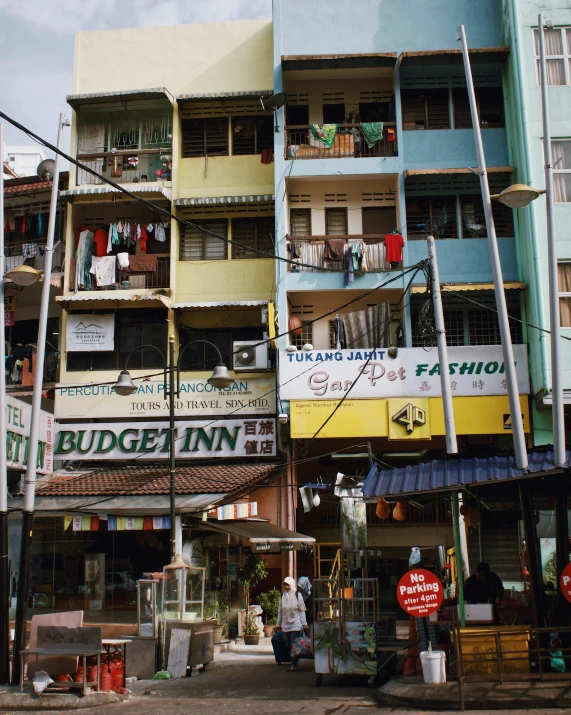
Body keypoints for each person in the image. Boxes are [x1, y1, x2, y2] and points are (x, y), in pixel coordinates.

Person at [276, 576, 309, 671]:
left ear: (292, 585)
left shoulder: (297, 595)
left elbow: (302, 611)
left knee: (293, 644)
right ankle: (294, 661)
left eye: (288, 585)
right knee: (287, 644)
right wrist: (278, 624)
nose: (286, 587)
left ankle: (294, 663)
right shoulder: (282, 596)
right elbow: (280, 612)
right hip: (286, 625)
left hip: (296, 624)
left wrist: (304, 623)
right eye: (285, 585)